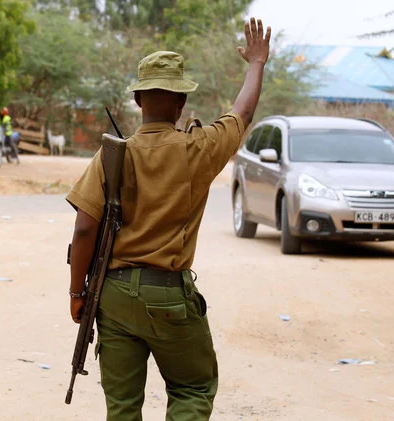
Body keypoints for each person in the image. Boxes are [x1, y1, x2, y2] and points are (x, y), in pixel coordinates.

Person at [66, 18, 271, 421]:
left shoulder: (111, 156)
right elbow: (242, 112)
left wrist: (77, 293)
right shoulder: (200, 148)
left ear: (139, 100)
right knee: (192, 388)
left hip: (116, 294)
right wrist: (256, 63)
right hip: (170, 297)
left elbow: (85, 227)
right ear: (181, 104)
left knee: (122, 407)